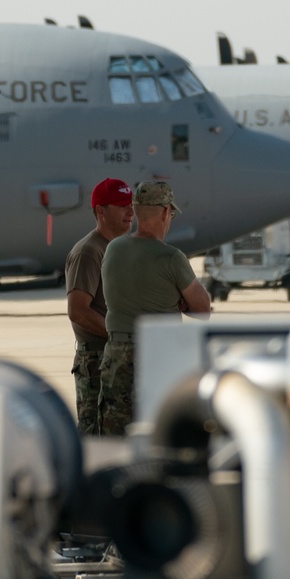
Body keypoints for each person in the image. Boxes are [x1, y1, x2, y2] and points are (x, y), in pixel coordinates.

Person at [98, 179, 211, 437]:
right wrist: (181, 301)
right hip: (158, 353)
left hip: (116, 353)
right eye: (170, 213)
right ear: (163, 212)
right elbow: (203, 309)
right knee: (159, 428)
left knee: (115, 432)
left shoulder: (113, 249)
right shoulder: (171, 258)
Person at [65, 177, 134, 435]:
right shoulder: (89, 252)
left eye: (131, 204)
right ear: (100, 211)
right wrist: (120, 335)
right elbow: (78, 311)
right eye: (121, 205)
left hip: (118, 357)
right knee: (96, 435)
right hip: (97, 361)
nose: (130, 212)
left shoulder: (122, 248)